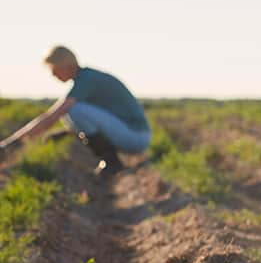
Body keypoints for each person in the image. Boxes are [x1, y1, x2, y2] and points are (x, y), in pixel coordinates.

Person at [0, 46, 151, 177]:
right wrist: (67, 132)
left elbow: (51, 116)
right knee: (70, 112)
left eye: (54, 69)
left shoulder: (87, 80)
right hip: (131, 134)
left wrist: (11, 143)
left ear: (66, 65)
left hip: (135, 137)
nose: (53, 74)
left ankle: (112, 162)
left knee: (73, 110)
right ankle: (111, 160)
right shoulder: (86, 78)